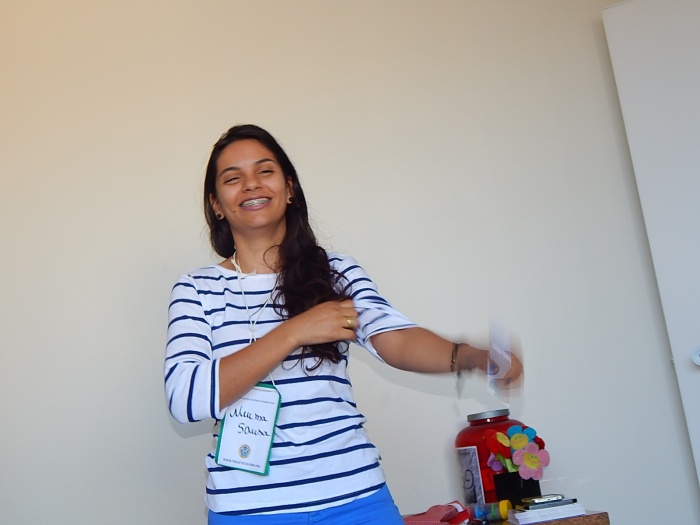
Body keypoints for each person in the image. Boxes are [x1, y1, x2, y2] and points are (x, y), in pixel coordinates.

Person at [164, 124, 523, 524]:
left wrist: (470, 356)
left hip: (357, 499)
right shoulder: (197, 288)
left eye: (265, 171)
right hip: (249, 511)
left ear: (289, 187)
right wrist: (295, 331)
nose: (251, 184)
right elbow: (186, 399)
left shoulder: (334, 272)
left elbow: (396, 340)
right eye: (233, 178)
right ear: (216, 204)